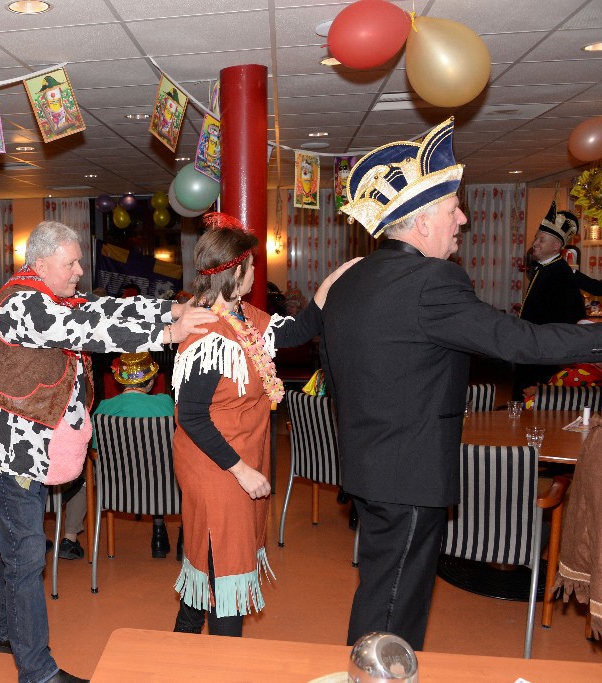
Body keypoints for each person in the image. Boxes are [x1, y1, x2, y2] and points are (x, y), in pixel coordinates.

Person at [323, 117, 602, 650]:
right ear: (423, 220)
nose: (464, 220)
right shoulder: (433, 280)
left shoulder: (351, 278)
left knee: (380, 592)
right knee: (393, 611)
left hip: (367, 465)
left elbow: (337, 376)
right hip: (409, 475)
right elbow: (523, 344)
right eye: (453, 209)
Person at [0, 220, 218, 683]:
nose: (80, 270)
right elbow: (86, 327)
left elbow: (104, 309)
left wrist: (171, 310)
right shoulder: (21, 303)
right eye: (71, 263)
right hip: (9, 447)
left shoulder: (52, 296)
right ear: (40, 264)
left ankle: (0, 629)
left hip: (25, 442)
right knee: (25, 553)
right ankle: (37, 672)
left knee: (13, 546)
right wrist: (165, 333)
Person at [171, 213, 334, 638]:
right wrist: (240, 470)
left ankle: (179, 651)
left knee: (209, 562)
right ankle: (221, 659)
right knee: (225, 565)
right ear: (233, 271)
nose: (256, 272)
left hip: (239, 459)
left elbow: (297, 330)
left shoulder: (245, 317)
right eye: (251, 265)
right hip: (218, 467)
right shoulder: (208, 333)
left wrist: (326, 293)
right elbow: (190, 416)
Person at [93, 352, 175, 558]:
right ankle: (178, 535)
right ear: (153, 380)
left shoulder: (103, 409)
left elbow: (96, 450)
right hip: (167, 487)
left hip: (120, 490)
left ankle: (159, 532)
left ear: (119, 380)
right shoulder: (166, 405)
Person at [514, 203, 586, 397]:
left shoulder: (560, 273)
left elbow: (571, 317)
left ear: (556, 246)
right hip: (533, 349)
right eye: (536, 238)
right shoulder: (546, 268)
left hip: (544, 355)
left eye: (541, 239)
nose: (535, 242)